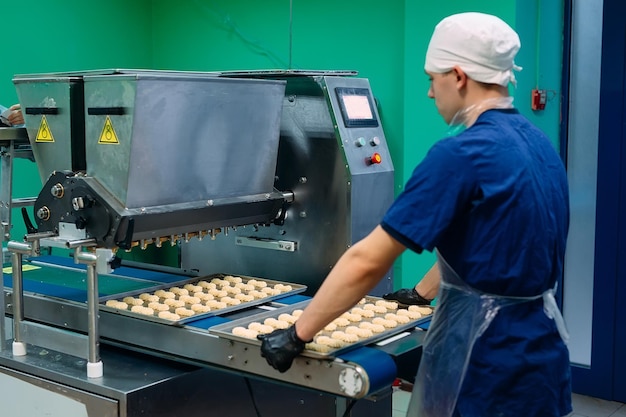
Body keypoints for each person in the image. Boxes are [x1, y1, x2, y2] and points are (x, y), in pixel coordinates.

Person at [258, 11, 572, 417]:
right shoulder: (539, 146)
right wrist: (418, 295)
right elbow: (489, 243)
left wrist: (297, 335)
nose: (429, 92)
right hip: (542, 357)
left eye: (432, 78)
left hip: (484, 365)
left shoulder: (461, 155)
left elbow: (367, 261)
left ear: (458, 76)